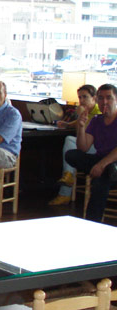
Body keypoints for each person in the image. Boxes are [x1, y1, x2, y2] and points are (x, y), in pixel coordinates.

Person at [64, 83, 117, 223]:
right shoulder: (96, 120)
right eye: (101, 98)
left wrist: (102, 165)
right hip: (101, 161)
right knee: (71, 154)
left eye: (109, 98)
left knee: (100, 182)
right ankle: (107, 171)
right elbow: (83, 148)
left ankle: (91, 223)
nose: (104, 102)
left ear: (116, 99)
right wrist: (81, 127)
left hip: (113, 162)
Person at [50, 84, 100, 206]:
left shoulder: (98, 112)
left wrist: (79, 116)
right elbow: (78, 123)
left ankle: (65, 191)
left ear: (94, 98)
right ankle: (67, 179)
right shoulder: (87, 111)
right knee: (70, 144)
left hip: (97, 148)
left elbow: (83, 133)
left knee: (70, 140)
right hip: (88, 146)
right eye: (80, 97)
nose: (81, 100)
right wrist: (67, 124)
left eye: (85, 97)